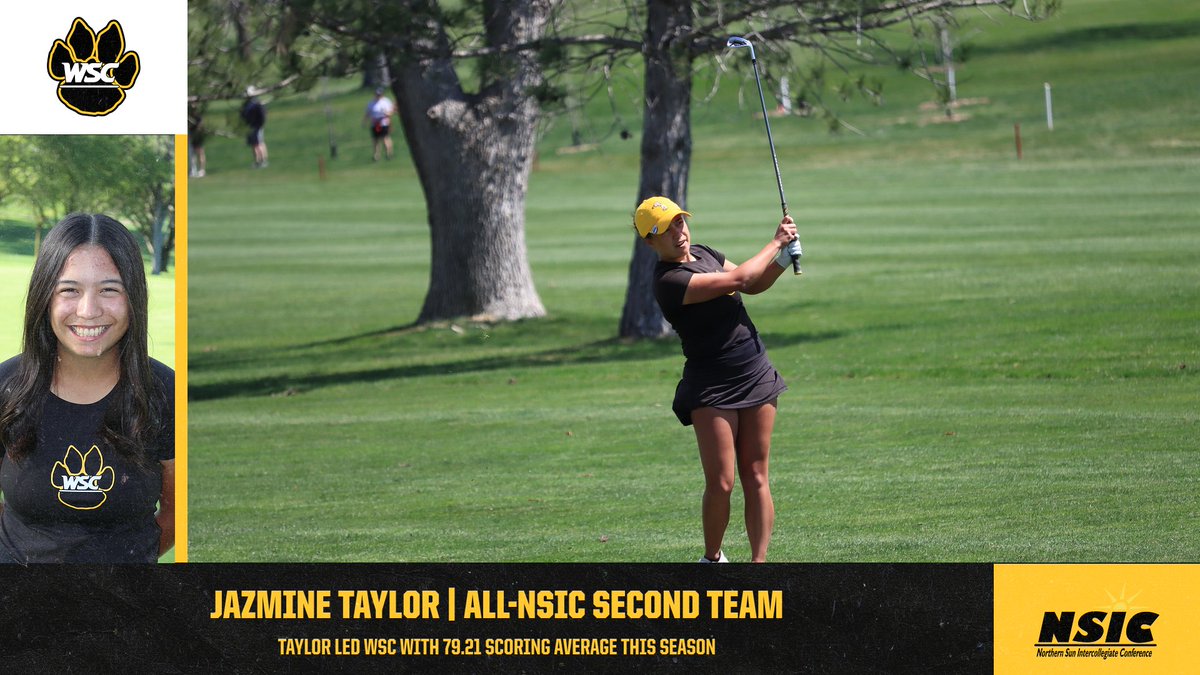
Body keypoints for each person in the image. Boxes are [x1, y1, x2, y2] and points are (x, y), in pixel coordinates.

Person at [0, 214, 175, 564]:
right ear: (44, 297)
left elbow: (177, 514)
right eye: (70, 290)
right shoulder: (6, 387)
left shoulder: (167, 393)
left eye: (109, 289)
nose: (88, 310)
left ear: (133, 298)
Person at [634, 196, 797, 563]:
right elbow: (737, 279)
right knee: (722, 483)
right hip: (711, 384)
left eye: (679, 222)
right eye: (666, 230)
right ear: (649, 241)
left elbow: (752, 286)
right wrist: (775, 242)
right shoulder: (669, 281)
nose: (678, 233)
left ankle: (759, 565)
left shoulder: (705, 252)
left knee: (756, 475)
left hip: (753, 369)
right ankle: (712, 559)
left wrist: (783, 261)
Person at [363, 86, 395, 162]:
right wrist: (364, 121)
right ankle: (376, 155)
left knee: (385, 138)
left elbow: (390, 112)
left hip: (383, 123)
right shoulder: (371, 103)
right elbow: (367, 113)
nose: (378, 96)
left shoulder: (385, 102)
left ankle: (389, 154)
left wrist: (386, 113)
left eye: (379, 94)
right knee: (375, 140)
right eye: (377, 94)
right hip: (375, 124)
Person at [241, 90, 268, 168]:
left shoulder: (257, 103)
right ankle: (257, 161)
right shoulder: (246, 104)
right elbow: (243, 114)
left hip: (256, 126)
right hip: (249, 126)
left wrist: (260, 124)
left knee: (259, 143)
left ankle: (263, 161)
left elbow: (262, 115)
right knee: (254, 144)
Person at [188, 102, 207, 177]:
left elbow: (200, 127)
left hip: (198, 138)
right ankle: (193, 170)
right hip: (191, 137)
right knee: (192, 155)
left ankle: (202, 170)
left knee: (200, 153)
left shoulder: (198, 117)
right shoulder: (189, 117)